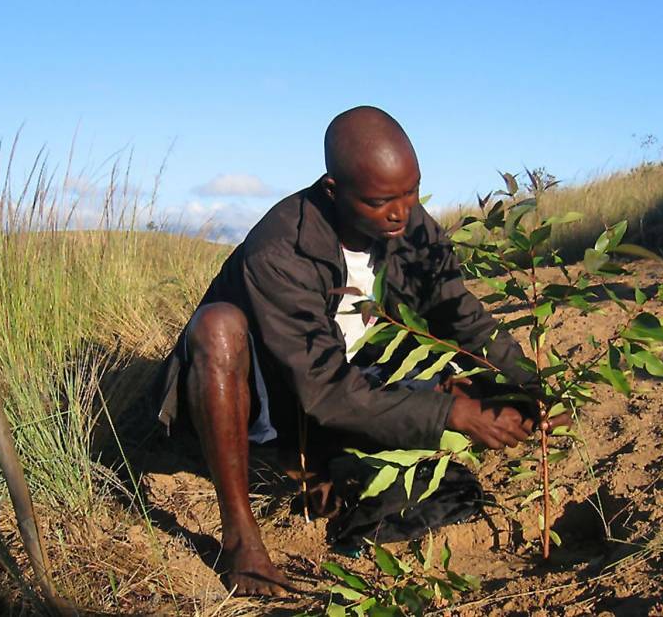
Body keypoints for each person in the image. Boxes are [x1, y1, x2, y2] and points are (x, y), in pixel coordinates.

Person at [154, 106, 567, 596]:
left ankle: (320, 463)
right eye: (380, 201)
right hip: (257, 399)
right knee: (217, 326)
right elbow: (324, 390)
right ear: (333, 190)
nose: (402, 211)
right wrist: (451, 413)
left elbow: (459, 315)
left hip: (330, 386)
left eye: (411, 190)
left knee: (455, 410)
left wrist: (528, 385)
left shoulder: (409, 225)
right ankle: (240, 537)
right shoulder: (282, 249)